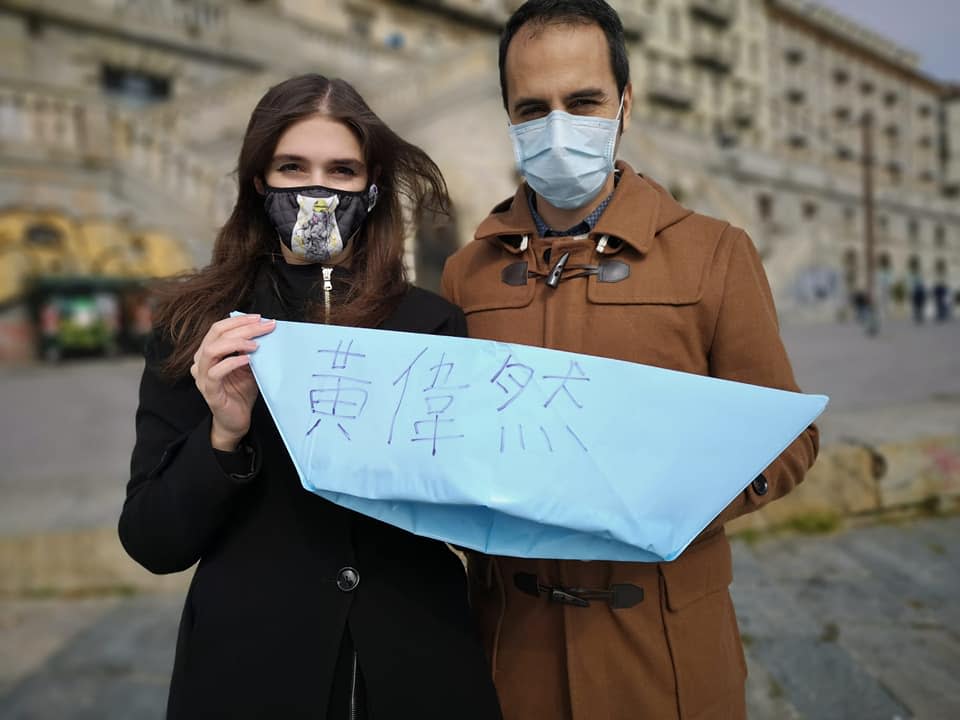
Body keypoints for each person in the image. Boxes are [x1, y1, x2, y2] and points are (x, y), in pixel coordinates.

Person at [440, 2, 820, 718]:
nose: (558, 127)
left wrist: (671, 499)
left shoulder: (715, 253)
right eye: (533, 108)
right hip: (510, 655)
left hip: (666, 658)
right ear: (509, 119)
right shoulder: (467, 272)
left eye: (582, 101)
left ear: (625, 103)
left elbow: (791, 438)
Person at [118, 74, 502, 720]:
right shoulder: (197, 327)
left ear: (371, 188)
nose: (315, 189)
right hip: (251, 673)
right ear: (259, 183)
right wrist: (221, 438)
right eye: (292, 166)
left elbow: (476, 511)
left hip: (415, 669)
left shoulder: (431, 325)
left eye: (341, 170)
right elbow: (152, 538)